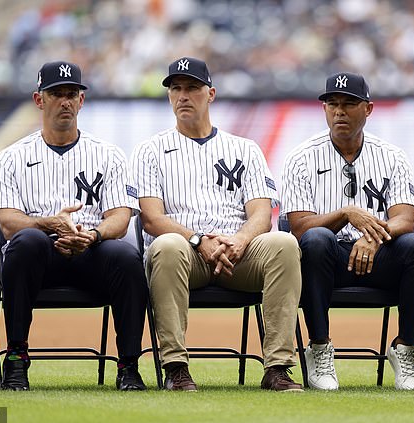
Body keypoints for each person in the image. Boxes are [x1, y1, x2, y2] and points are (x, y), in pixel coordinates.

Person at [130, 57, 303, 392]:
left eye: (192, 88)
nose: (182, 95)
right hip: (184, 254)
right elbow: (151, 218)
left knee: (284, 244)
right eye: (175, 88)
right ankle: (176, 367)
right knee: (166, 245)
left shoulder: (244, 148)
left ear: (210, 93)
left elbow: (261, 214)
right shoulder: (150, 150)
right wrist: (198, 240)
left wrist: (239, 240)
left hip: (238, 254)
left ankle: (278, 368)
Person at [0, 61, 148, 391]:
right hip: (39, 257)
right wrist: (48, 224)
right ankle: (16, 359)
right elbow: (7, 222)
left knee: (126, 256)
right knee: (25, 242)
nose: (64, 101)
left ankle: (128, 366)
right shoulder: (12, 156)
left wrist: (91, 235)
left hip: (92, 251)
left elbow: (120, 218)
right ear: (39, 100)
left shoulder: (108, 154)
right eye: (56, 94)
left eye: (71, 94)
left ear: (81, 100)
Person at [280, 72, 414, 391]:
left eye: (349, 104)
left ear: (368, 109)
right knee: (315, 239)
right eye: (332, 104)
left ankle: (406, 349)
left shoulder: (392, 156)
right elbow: (298, 226)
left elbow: (406, 219)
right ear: (324, 109)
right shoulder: (301, 157)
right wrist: (345, 213)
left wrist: (373, 236)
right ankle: (320, 348)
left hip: (381, 257)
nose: (339, 111)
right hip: (328, 261)